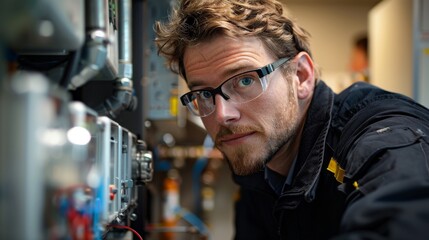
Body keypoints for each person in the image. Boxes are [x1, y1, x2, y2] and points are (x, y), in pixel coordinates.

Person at [154, 0, 429, 239]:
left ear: (301, 77)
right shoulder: (258, 167)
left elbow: (405, 221)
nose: (223, 115)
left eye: (246, 80)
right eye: (203, 93)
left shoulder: (384, 133)